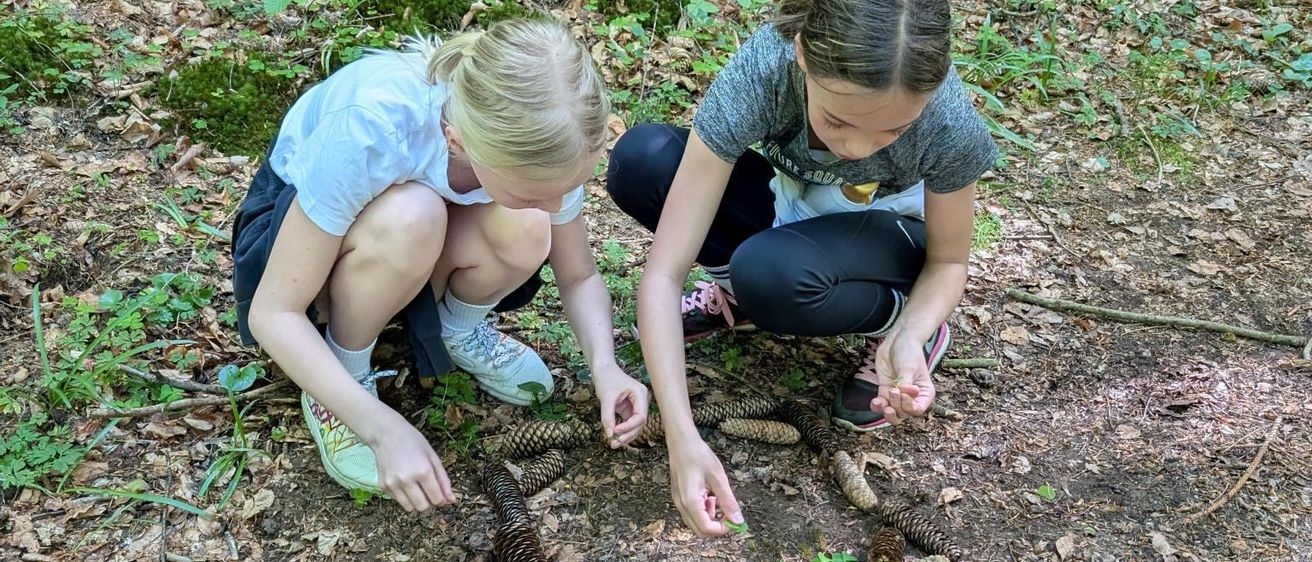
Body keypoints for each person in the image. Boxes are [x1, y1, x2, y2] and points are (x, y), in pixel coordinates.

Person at [605, 0, 998, 536]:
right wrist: (681, 436)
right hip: (794, 204)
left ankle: (892, 320)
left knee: (772, 273)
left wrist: (912, 332)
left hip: (891, 234)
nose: (856, 147)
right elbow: (663, 273)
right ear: (802, 56)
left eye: (891, 132)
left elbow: (950, 260)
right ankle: (742, 292)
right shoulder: (764, 73)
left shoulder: (946, 120)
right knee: (644, 158)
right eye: (837, 119)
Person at [230, 18, 650, 513]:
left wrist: (604, 366)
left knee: (528, 224)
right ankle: (342, 377)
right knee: (413, 215)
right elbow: (273, 312)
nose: (558, 201)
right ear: (458, 142)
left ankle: (457, 328)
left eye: (568, 184)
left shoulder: (549, 140)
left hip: (412, 234)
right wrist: (381, 430)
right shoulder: (375, 125)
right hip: (305, 243)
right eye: (538, 189)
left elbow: (578, 275)